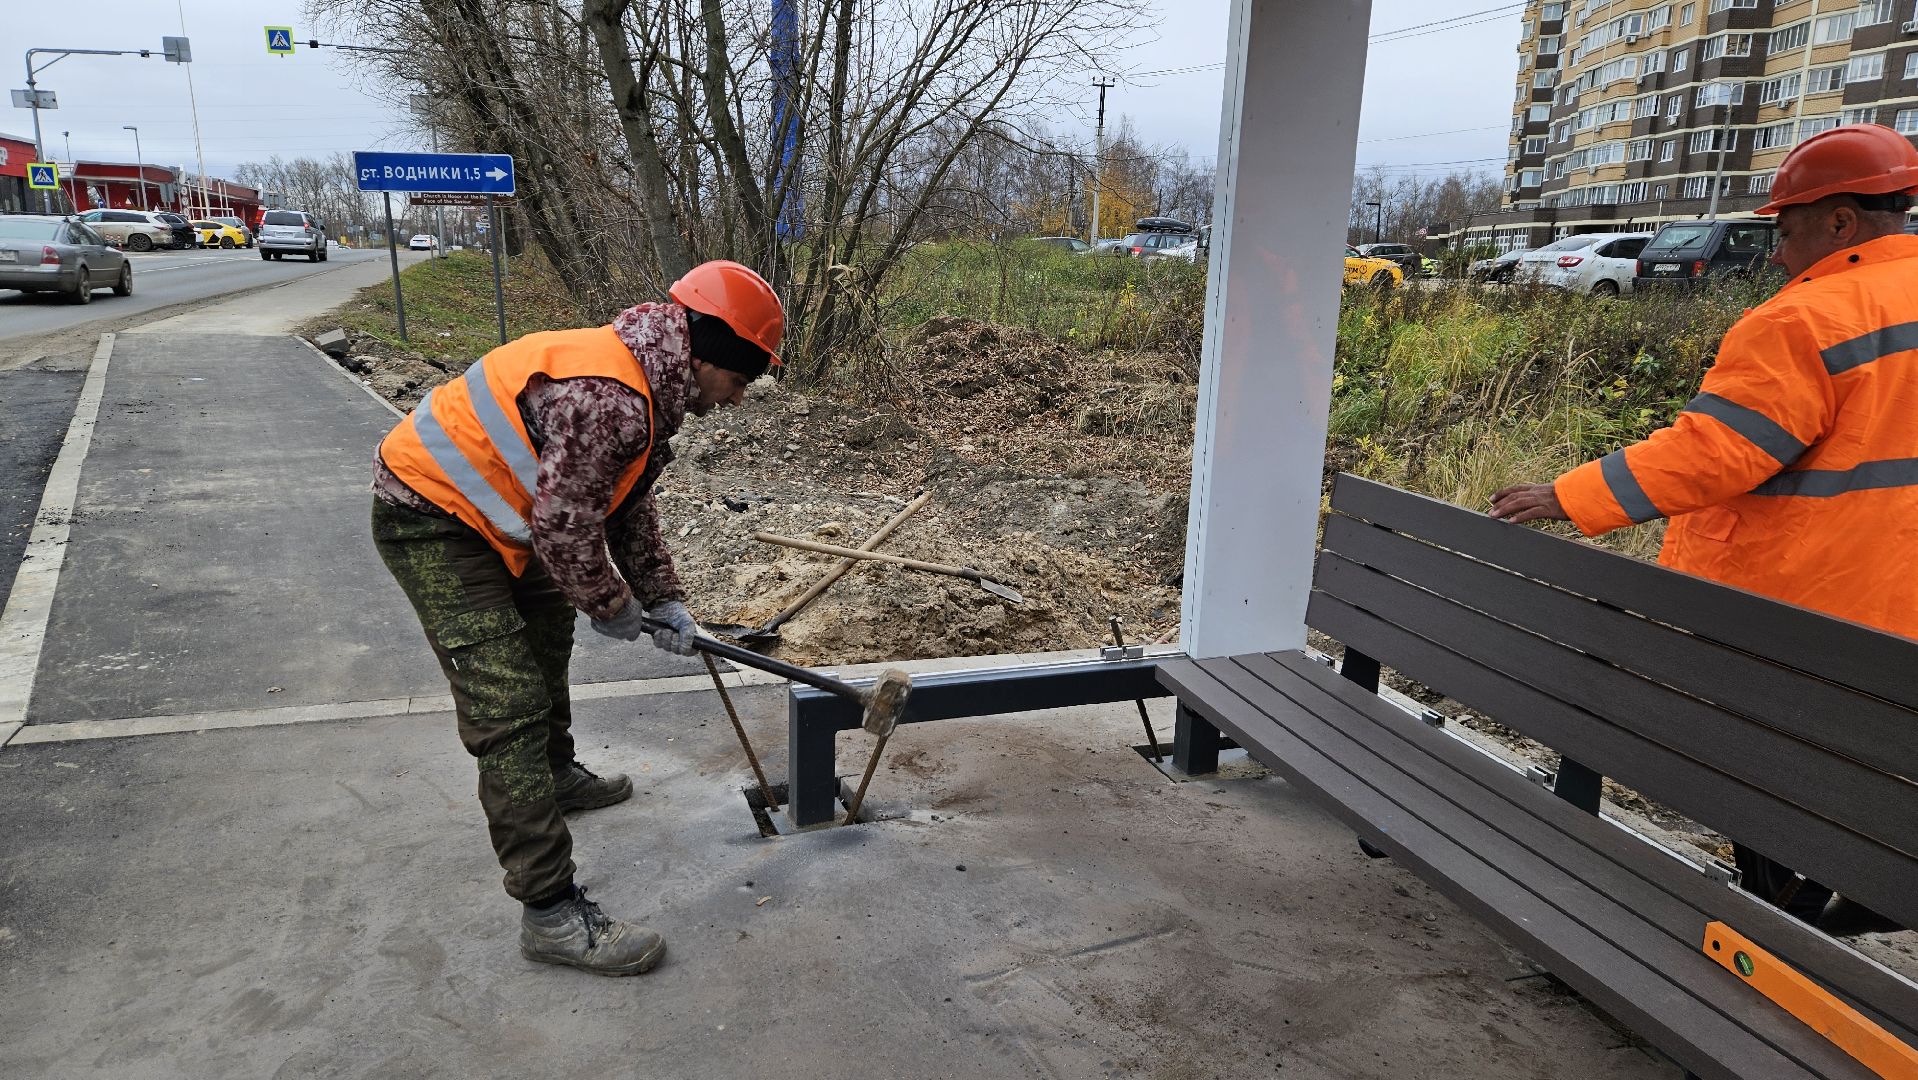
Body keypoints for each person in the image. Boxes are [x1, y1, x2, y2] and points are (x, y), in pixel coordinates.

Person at [1491, 124, 1918, 924]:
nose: (1779, 254)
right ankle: (1819, 916)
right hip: (1898, 620)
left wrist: (1568, 495)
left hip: (1798, 614)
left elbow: (1716, 452)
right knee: (1855, 791)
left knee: (1771, 790)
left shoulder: (1807, 320)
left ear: (1841, 221)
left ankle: (1790, 938)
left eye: (1787, 231)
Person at [370, 260, 783, 975]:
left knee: (549, 635)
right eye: (741, 380)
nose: (740, 399)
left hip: (508, 515)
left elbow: (623, 506)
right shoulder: (611, 396)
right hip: (428, 514)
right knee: (508, 704)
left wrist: (662, 598)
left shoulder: (648, 386)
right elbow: (565, 532)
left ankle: (555, 774)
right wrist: (613, 605)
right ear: (709, 354)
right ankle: (551, 913)